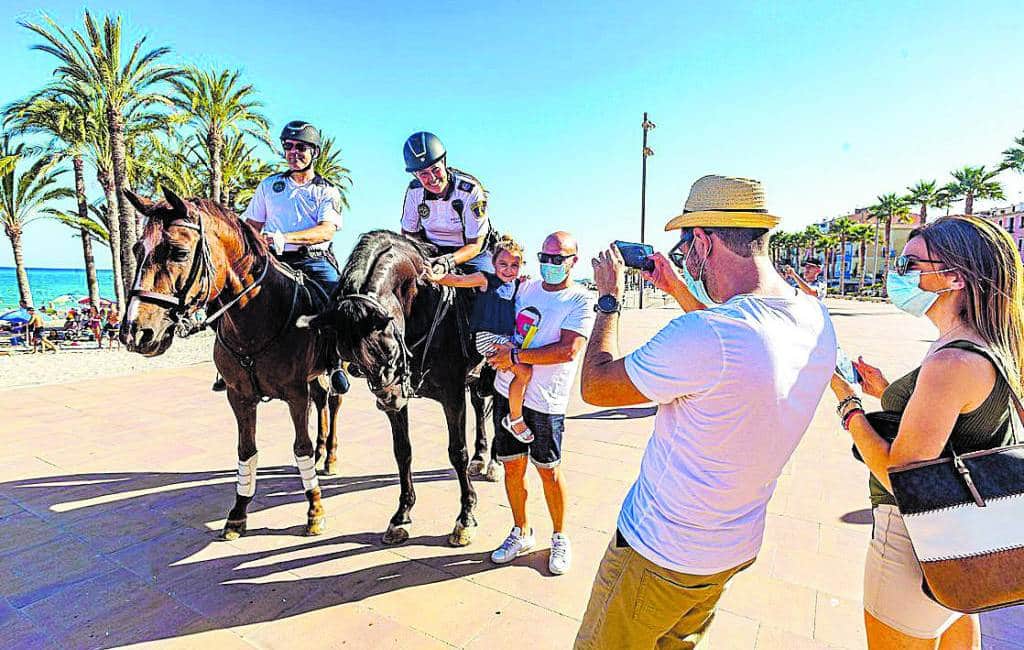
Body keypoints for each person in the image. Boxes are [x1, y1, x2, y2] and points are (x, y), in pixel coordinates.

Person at [575, 175, 837, 649]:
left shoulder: (708, 335)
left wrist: (609, 299)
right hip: (728, 550)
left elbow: (596, 386)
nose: (686, 261)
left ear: (703, 240)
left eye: (686, 249)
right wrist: (676, 288)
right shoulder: (814, 318)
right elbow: (729, 336)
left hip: (659, 552)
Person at [829, 216, 1022, 649]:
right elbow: (960, 421)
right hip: (967, 537)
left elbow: (899, 474)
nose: (896, 273)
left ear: (953, 276)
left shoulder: (951, 362)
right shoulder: (986, 342)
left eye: (908, 263)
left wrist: (848, 403)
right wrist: (889, 392)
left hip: (914, 541)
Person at [485, 231, 595, 576]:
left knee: (548, 471)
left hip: (546, 401)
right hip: (508, 391)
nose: (549, 264)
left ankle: (560, 536)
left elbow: (569, 350)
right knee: (512, 467)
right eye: (544, 257)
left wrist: (514, 354)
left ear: (573, 261)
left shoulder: (579, 299)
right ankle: (520, 531)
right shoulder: (526, 287)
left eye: (557, 259)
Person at [211, 120, 349, 394]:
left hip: (313, 261)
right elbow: (252, 225)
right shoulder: (269, 185)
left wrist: (286, 238)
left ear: (315, 152)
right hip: (272, 260)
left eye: (301, 147)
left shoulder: (326, 190)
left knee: (337, 301)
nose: (294, 152)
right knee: (224, 298)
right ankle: (225, 365)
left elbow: (326, 230)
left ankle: (334, 364)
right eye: (288, 147)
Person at [426, 235, 533, 442]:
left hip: (504, 337)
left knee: (524, 370)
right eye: (503, 264)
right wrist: (435, 277)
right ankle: (515, 417)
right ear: (493, 263)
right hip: (488, 338)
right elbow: (458, 281)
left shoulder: (516, 285)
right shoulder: (485, 279)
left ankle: (494, 386)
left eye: (514, 265)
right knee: (524, 370)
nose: (508, 270)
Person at [400, 131, 495, 275]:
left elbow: (475, 245)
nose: (432, 178)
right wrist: (424, 255)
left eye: (435, 169)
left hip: (471, 255)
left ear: (443, 161)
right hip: (430, 252)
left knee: (489, 290)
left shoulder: (470, 191)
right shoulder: (414, 191)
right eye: (423, 174)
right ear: (415, 175)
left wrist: (447, 262)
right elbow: (408, 233)